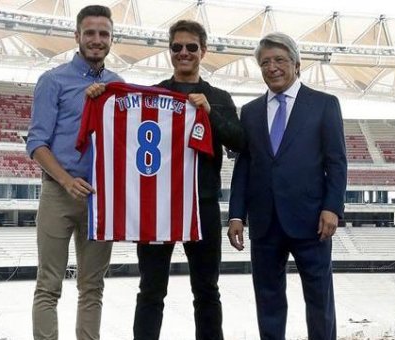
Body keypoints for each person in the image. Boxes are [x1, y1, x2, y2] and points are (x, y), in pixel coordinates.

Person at [227, 32, 347, 340]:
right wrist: (236, 214)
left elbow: (336, 162)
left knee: (319, 301)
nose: (272, 67)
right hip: (265, 222)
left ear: (296, 64)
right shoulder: (250, 111)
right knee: (268, 302)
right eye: (265, 62)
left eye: (279, 60)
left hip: (312, 222)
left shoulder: (324, 105)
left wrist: (332, 207)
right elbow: (244, 165)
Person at [132, 20, 245, 340]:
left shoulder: (220, 97)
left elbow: (239, 143)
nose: (184, 53)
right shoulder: (151, 95)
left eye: (191, 47)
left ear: (203, 51)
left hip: (203, 203)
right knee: (151, 290)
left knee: (207, 289)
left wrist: (210, 112)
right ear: (170, 52)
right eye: (177, 47)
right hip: (159, 205)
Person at [25, 5, 123, 340]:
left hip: (101, 199)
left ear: (112, 39)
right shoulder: (52, 81)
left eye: (104, 34)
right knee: (48, 285)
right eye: (91, 33)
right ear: (77, 36)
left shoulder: (118, 85)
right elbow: (36, 144)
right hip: (59, 193)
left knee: (92, 287)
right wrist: (67, 181)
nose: (97, 40)